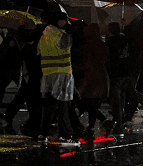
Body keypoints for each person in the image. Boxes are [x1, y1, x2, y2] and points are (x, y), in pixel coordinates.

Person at [37, 10, 78, 144]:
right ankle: (65, 136)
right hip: (63, 74)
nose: (65, 22)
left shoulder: (44, 35)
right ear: (57, 21)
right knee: (63, 107)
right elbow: (70, 46)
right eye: (63, 20)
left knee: (48, 107)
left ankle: (42, 134)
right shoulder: (61, 35)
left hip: (48, 75)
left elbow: (38, 52)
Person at [75, 23, 109, 139]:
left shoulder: (89, 45)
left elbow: (86, 62)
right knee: (93, 103)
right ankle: (91, 127)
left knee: (86, 103)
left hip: (91, 76)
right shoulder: (102, 44)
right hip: (101, 75)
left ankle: (104, 120)